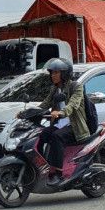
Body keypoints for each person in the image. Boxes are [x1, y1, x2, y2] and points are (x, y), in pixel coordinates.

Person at [32, 58, 89, 186]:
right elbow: (45, 104)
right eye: (52, 72)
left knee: (56, 137)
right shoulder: (55, 88)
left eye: (56, 73)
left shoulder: (76, 87)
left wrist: (61, 112)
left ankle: (58, 173)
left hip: (75, 127)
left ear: (65, 73)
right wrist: (27, 113)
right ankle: (41, 166)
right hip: (60, 125)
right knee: (41, 134)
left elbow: (73, 104)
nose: (53, 75)